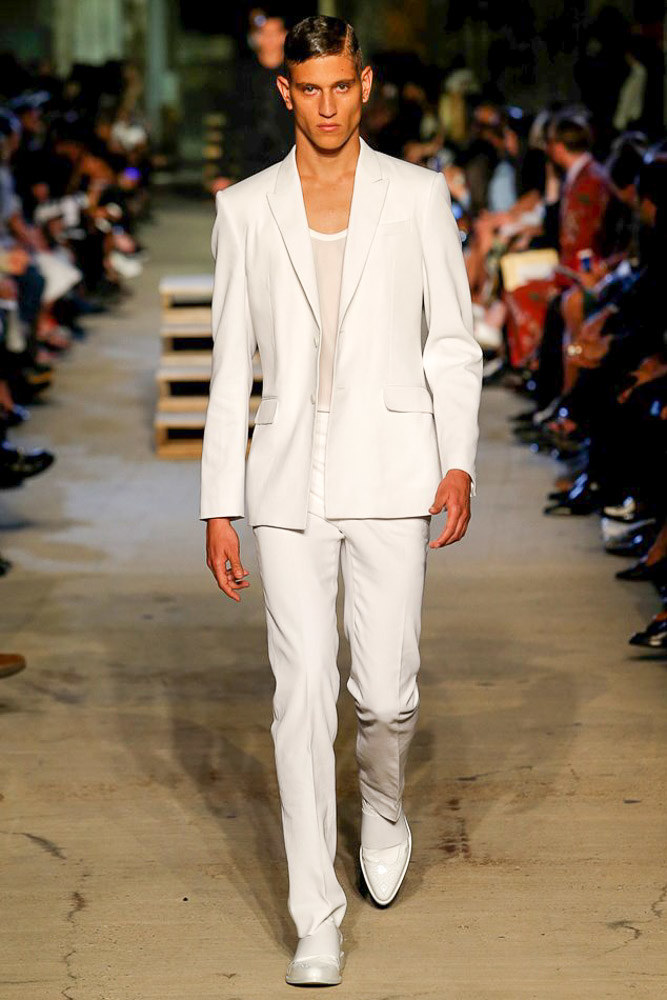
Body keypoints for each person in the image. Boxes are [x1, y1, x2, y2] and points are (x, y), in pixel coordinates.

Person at [200, 15, 482, 987]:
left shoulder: (417, 195)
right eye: (308, 89)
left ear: (363, 86)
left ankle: (385, 803)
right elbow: (229, 367)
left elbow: (451, 340)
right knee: (300, 695)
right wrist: (217, 503)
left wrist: (458, 461)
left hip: (394, 463)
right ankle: (314, 917)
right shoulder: (246, 208)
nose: (325, 106)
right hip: (287, 474)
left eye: (339, 86)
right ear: (288, 91)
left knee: (387, 694)